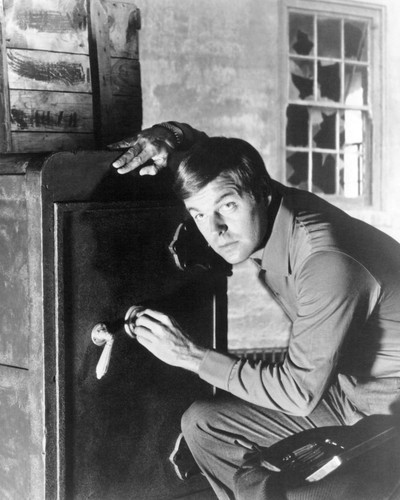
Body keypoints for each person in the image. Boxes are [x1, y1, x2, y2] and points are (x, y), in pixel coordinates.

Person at [108, 122, 400, 500]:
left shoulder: (326, 261)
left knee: (305, 492)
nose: (215, 231)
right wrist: (176, 137)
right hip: (350, 396)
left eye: (227, 207)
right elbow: (224, 169)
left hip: (390, 417)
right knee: (205, 425)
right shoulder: (268, 199)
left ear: (261, 193)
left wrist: (190, 355)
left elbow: (299, 394)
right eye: (198, 214)